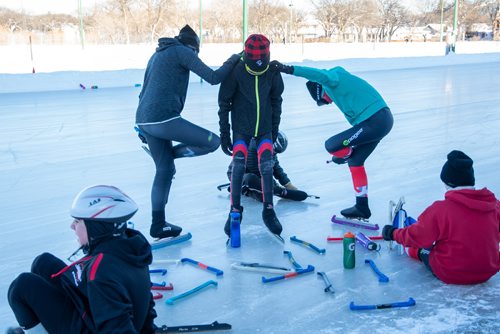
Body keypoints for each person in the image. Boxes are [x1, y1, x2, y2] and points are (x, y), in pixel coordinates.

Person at [135, 24, 241, 239]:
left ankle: (158, 224)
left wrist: (141, 126)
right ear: (194, 47)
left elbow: (144, 89)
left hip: (145, 121)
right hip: (165, 119)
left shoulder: (157, 54)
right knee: (212, 142)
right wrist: (233, 59)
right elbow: (213, 77)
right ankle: (171, 154)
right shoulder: (183, 52)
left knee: (164, 170)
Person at [7, 185, 157, 333]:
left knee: (21, 287)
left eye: (77, 221)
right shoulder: (132, 246)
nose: (72, 226)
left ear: (95, 226)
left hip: (97, 327)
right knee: (43, 263)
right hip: (99, 314)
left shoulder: (100, 272)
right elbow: (144, 298)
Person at [270, 60, 393, 219]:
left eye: (322, 101)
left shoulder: (332, 79)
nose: (327, 103)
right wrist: (346, 154)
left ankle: (348, 156)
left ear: (321, 88)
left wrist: (287, 69)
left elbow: (314, 74)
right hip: (378, 121)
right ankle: (362, 206)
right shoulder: (343, 90)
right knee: (355, 162)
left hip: (375, 120)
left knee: (331, 145)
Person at [382, 151, 500, 285]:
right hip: (487, 271)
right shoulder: (494, 206)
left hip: (451, 272)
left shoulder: (441, 210)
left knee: (419, 249)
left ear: (448, 183)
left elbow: (418, 237)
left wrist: (393, 233)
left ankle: (414, 251)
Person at [218, 34, 285, 237]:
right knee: (238, 164)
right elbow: (224, 104)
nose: (258, 67)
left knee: (267, 164)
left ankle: (269, 209)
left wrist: (273, 130)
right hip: (241, 128)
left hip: (264, 127)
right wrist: (224, 133)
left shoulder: (272, 72)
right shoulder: (236, 71)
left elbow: (276, 102)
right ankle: (235, 210)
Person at [226, 131, 307, 202]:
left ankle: (243, 190)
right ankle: (240, 189)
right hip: (239, 174)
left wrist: (287, 184)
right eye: (274, 151)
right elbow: (255, 170)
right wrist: (275, 187)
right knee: (252, 178)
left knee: (263, 197)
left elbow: (276, 168)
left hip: (254, 173)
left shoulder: (270, 151)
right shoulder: (252, 148)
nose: (275, 154)